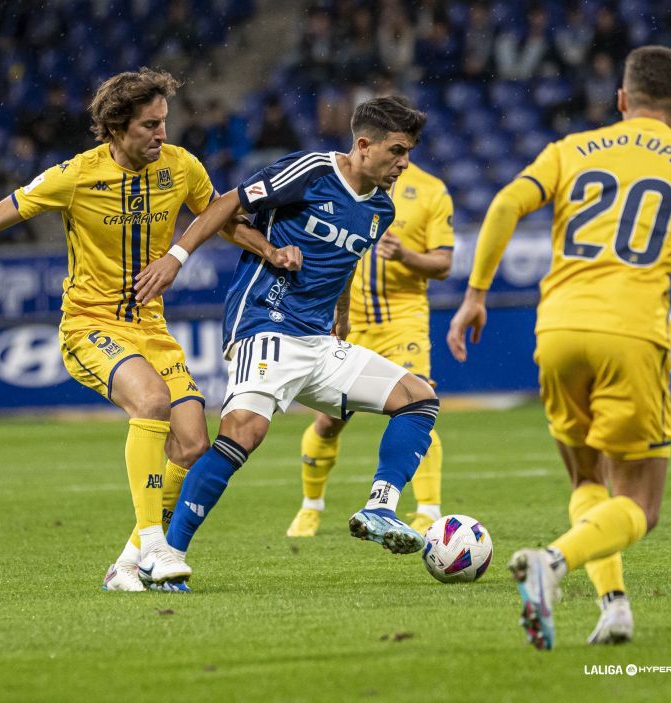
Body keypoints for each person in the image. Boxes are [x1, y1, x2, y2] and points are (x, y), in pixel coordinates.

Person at [0, 69, 285, 594]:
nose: (161, 135)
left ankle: (125, 566)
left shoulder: (181, 167)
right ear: (116, 127)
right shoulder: (76, 176)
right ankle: (155, 544)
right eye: (150, 125)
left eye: (164, 122)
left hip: (151, 328)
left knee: (193, 443)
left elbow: (219, 218)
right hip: (89, 325)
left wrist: (270, 251)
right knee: (150, 401)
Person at [447, 46, 671, 650]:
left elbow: (503, 205)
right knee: (640, 506)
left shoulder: (570, 150)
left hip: (556, 331)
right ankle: (552, 563)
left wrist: (475, 294)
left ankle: (615, 607)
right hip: (631, 334)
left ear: (622, 100)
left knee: (588, 476)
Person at [133, 97, 441, 588]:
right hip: (266, 323)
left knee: (419, 399)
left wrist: (340, 317)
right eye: (397, 151)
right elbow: (228, 204)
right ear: (363, 145)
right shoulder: (312, 170)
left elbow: (345, 267)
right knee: (243, 433)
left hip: (319, 342)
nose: (405, 163)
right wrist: (177, 256)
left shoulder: (381, 208)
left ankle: (380, 508)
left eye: (409, 153)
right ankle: (164, 556)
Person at [286, 160, 454, 539]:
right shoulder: (350, 184)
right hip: (351, 323)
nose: (400, 156)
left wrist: (406, 256)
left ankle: (428, 512)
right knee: (329, 422)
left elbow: (443, 264)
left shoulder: (432, 190)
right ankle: (311, 507)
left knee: (419, 401)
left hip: (403, 321)